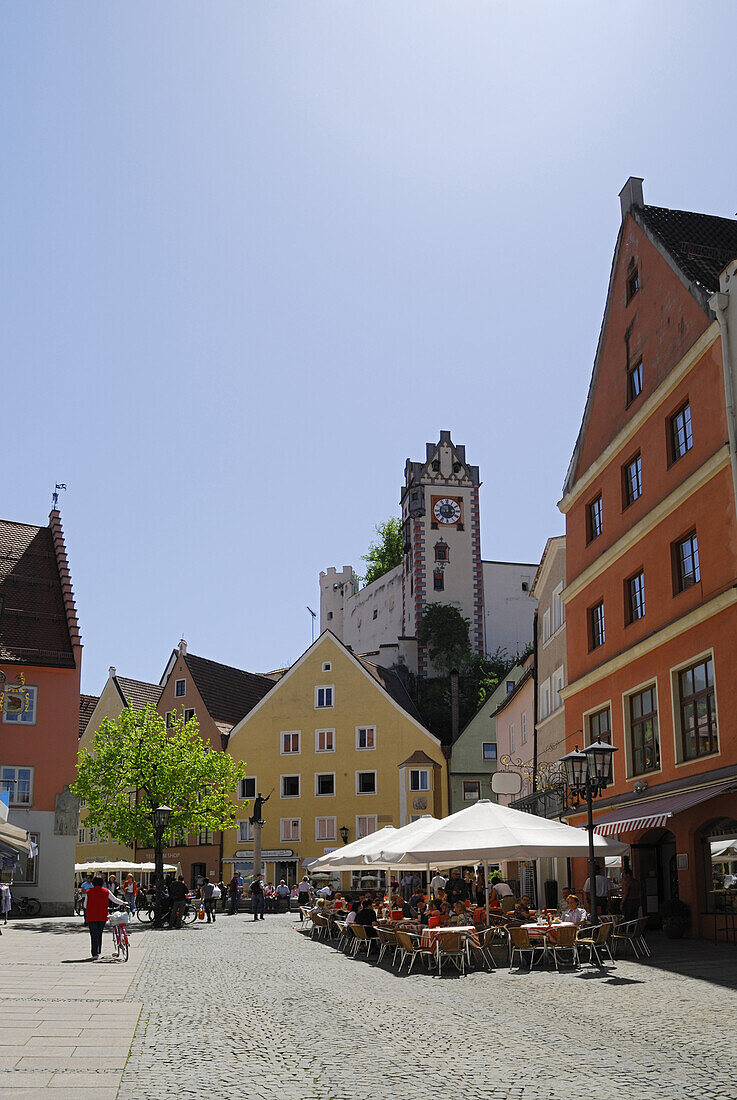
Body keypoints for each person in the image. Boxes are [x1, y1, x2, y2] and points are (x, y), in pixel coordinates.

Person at [85, 876, 126, 959]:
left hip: (91, 916)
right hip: (102, 915)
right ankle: (98, 951)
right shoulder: (106, 891)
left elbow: (85, 905)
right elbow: (114, 899)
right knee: (99, 933)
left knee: (93, 934)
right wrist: (123, 903)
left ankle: (94, 953)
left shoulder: (88, 892)